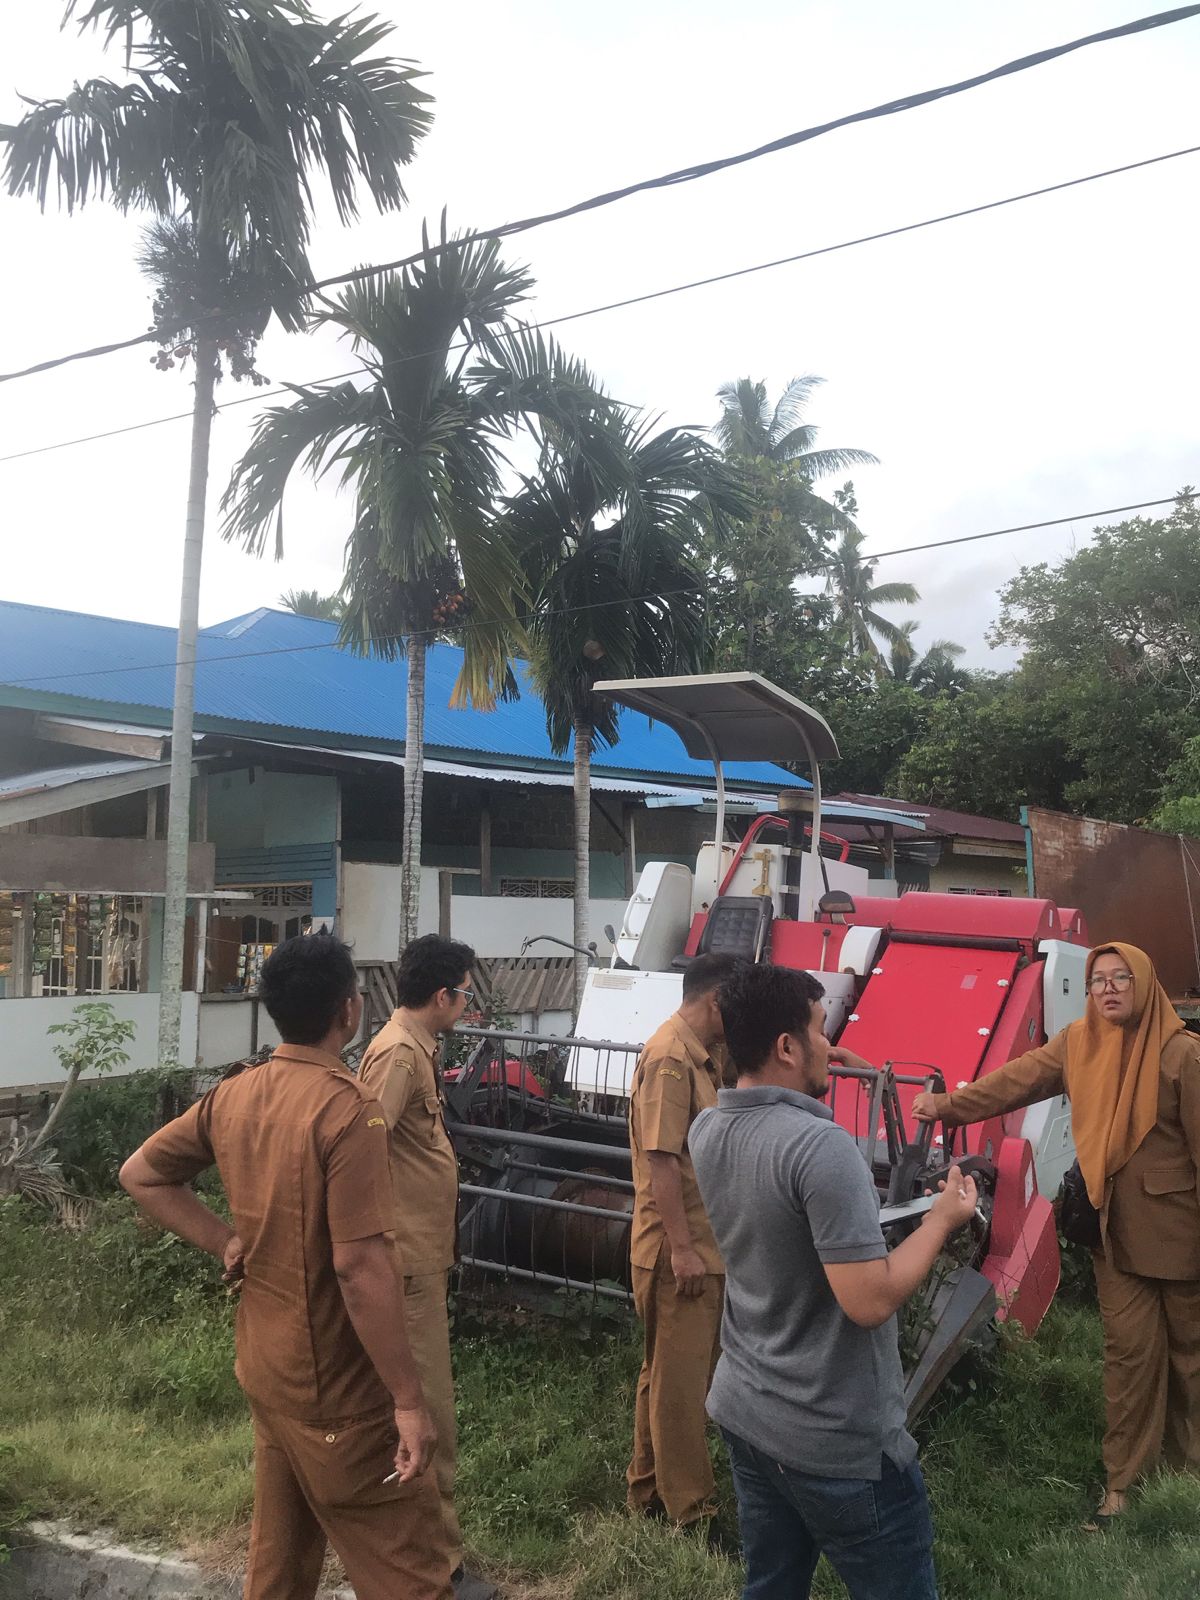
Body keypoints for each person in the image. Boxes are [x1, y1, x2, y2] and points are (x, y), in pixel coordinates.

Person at [119, 935, 450, 1600]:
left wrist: (224, 1242)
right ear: (349, 1011)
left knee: (280, 1571)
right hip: (340, 1398)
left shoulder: (236, 1094)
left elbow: (142, 1173)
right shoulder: (347, 1109)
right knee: (412, 1578)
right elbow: (359, 1268)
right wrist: (409, 1402)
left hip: (271, 1378)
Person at [691, 963, 977, 1600]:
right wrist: (943, 1219)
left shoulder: (708, 1128)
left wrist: (840, 1068)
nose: (830, 1043)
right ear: (787, 1046)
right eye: (821, 1031)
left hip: (748, 1410)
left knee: (772, 1585)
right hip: (835, 1439)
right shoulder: (821, 1149)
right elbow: (869, 1299)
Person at [913, 942, 1200, 1528]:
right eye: (1098, 980)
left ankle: (1185, 1475)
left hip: (1183, 1240)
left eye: (1122, 978)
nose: (1109, 988)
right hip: (1112, 1236)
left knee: (1189, 1360)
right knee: (1127, 1360)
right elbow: (1013, 1083)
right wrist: (948, 1107)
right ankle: (1123, 1484)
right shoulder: (1076, 1044)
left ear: (1145, 983)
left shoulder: (1182, 1057)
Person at [358, 934, 493, 1600]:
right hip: (402, 1267)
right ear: (442, 996)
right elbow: (359, 1156)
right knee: (425, 1414)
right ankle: (436, 1568)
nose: (467, 1006)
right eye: (464, 995)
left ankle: (423, 1553)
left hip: (419, 1262)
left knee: (423, 1414)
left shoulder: (416, 1049)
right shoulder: (397, 1055)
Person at [625, 951, 742, 1534]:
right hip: (679, 1251)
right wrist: (683, 1248)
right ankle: (691, 1511)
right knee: (682, 1385)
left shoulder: (701, 1054)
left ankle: (646, 1492)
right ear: (715, 1001)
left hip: (690, 1246)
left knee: (664, 1374)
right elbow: (662, 1159)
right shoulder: (672, 1058)